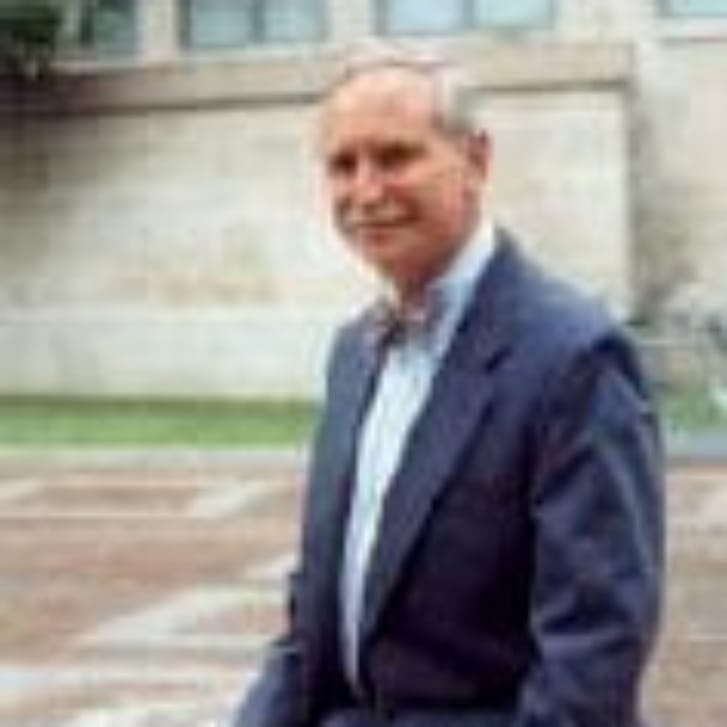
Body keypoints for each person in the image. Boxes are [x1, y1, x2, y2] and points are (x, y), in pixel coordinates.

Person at [234, 47, 664, 727]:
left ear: (476, 159)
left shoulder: (573, 357)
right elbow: (313, 615)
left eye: (395, 156)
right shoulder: (353, 352)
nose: (365, 191)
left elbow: (592, 657)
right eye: (342, 165)